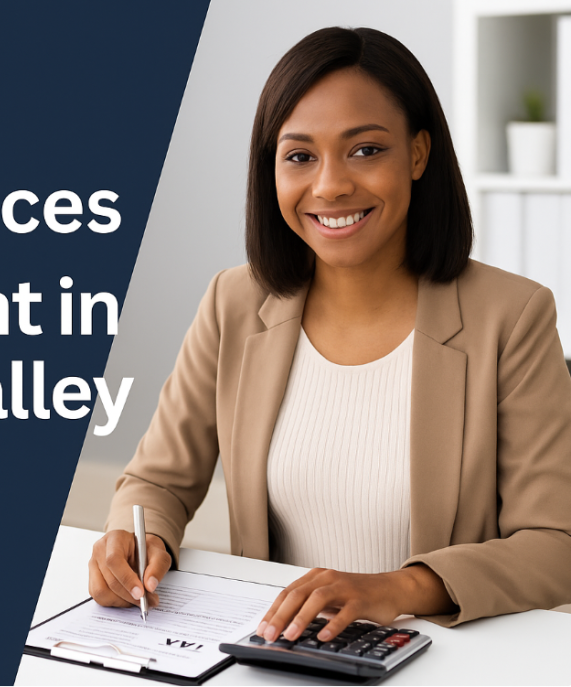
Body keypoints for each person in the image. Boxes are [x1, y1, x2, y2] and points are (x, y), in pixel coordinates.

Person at [88, 26, 571, 644]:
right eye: (299, 156)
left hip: (441, 659)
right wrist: (139, 536)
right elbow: (157, 480)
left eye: (366, 149)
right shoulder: (234, 303)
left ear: (419, 154)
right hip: (281, 656)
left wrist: (397, 587)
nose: (330, 186)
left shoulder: (512, 315)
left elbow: (556, 544)